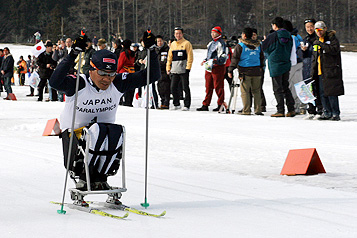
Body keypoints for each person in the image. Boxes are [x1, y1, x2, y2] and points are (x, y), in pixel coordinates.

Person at [49, 32, 160, 204]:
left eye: (111, 74)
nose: (107, 79)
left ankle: (101, 177)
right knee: (97, 129)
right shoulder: (79, 83)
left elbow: (151, 76)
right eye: (102, 73)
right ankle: (84, 177)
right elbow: (55, 82)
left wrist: (152, 50)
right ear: (91, 69)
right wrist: (73, 54)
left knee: (115, 130)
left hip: (105, 138)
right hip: (74, 139)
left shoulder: (117, 83)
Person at [262, 17, 295, 117]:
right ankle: (291, 109)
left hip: (275, 64)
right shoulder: (289, 35)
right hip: (286, 63)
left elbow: (265, 48)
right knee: (286, 87)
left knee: (277, 88)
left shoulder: (273, 35)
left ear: (275, 25)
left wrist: (264, 41)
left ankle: (280, 110)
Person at [311, 21, 344, 121]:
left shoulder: (332, 38)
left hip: (331, 71)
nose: (319, 32)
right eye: (317, 30)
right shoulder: (317, 40)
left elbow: (334, 50)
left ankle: (335, 113)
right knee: (322, 93)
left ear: (325, 29)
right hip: (320, 71)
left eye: (320, 30)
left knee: (331, 93)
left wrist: (322, 45)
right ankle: (327, 112)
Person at [228, 27, 264, 115]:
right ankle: (258, 109)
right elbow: (262, 57)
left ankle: (246, 110)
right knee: (257, 91)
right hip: (257, 71)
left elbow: (235, 58)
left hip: (245, 72)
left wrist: (230, 69)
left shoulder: (240, 46)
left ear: (244, 35)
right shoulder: (258, 45)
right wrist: (261, 67)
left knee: (245, 92)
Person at [197, 26, 227, 112]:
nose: (212, 34)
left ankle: (220, 104)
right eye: (211, 32)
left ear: (218, 33)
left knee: (218, 86)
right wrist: (205, 60)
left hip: (218, 67)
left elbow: (223, 56)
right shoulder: (211, 43)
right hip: (209, 67)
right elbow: (209, 55)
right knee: (208, 86)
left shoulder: (221, 43)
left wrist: (215, 61)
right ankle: (206, 104)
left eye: (214, 32)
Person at [166, 27, 193, 111]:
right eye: (176, 33)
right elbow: (169, 57)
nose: (178, 35)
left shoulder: (186, 43)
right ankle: (176, 103)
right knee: (173, 87)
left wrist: (188, 67)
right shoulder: (173, 44)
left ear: (182, 34)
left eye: (179, 33)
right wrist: (168, 67)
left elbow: (190, 56)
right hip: (174, 69)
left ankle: (187, 104)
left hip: (183, 69)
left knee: (185, 87)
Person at [301, 19, 323, 120]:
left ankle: (320, 109)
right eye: (307, 27)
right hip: (306, 67)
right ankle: (311, 109)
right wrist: (302, 51)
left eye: (311, 26)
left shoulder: (318, 39)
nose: (310, 29)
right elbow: (301, 55)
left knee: (317, 88)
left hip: (315, 67)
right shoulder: (305, 39)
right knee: (308, 89)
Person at [283, 20, 306, 115]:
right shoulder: (297, 36)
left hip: (293, 62)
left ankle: (298, 105)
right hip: (299, 62)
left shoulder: (290, 37)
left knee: (292, 85)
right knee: (300, 84)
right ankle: (303, 105)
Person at [117, 39, 136, 107]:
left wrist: (117, 71)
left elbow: (120, 64)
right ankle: (129, 101)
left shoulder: (123, 53)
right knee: (131, 88)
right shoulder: (132, 53)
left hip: (123, 72)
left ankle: (124, 101)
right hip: (131, 72)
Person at [155, 35, 171, 109]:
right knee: (160, 87)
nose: (159, 43)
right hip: (158, 71)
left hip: (165, 70)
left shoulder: (167, 49)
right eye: (158, 41)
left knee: (166, 86)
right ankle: (162, 101)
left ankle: (166, 102)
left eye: (160, 41)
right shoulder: (155, 50)